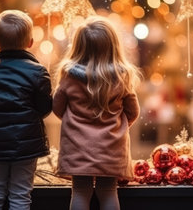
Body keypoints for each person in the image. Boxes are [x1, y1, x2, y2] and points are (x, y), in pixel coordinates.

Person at [53, 16, 141, 210]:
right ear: (113, 46)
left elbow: (57, 108)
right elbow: (133, 112)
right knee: (109, 191)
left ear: (78, 47)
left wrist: (76, 122)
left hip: (77, 146)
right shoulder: (122, 76)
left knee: (80, 191)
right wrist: (116, 126)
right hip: (111, 147)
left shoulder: (68, 77)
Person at [0, 10, 52, 210]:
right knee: (20, 195)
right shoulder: (38, 72)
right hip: (27, 144)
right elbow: (45, 108)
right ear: (31, 42)